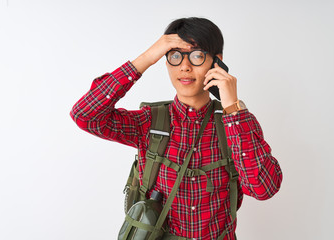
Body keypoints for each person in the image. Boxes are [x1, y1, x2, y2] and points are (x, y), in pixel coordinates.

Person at [70, 17, 282, 240]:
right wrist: (147, 58)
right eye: (174, 55)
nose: (184, 66)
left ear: (217, 62)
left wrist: (232, 108)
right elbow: (85, 115)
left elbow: (264, 188)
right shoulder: (150, 122)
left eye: (197, 56)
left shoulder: (235, 123)